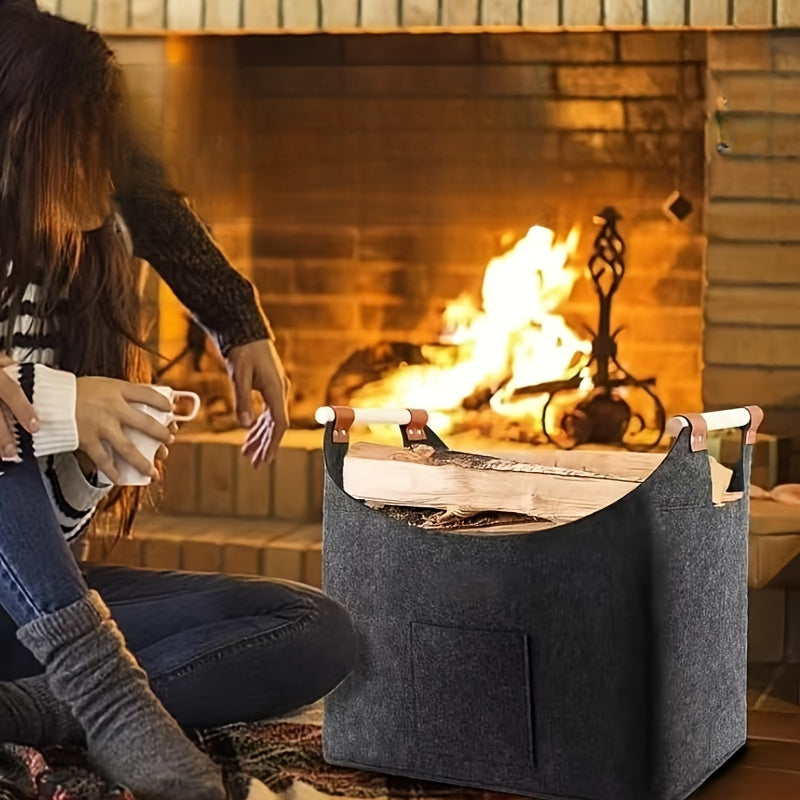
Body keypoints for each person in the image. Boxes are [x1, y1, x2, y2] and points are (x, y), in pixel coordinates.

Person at [0, 6, 357, 800]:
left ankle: (31, 710)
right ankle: (106, 697)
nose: (112, 169)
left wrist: (91, 463)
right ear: (24, 135)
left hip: (34, 621)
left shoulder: (73, 272)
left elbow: (31, 547)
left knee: (318, 632)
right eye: (87, 143)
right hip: (61, 635)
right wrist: (58, 405)